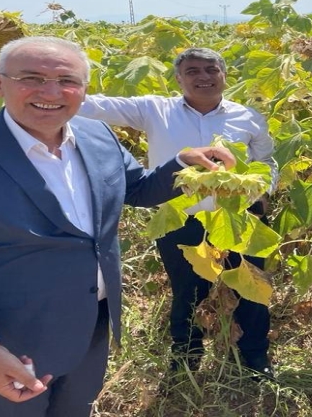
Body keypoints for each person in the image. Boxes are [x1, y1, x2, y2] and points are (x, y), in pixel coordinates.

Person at [0, 36, 235, 417]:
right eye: (31, 78)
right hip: (2, 343)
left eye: (67, 80)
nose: (50, 92)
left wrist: (182, 163)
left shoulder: (97, 136)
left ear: (83, 89)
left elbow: (135, 188)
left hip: (88, 329)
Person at [79, 47, 277, 378]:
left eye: (211, 70)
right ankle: (186, 355)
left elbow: (267, 161)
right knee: (187, 290)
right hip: (180, 219)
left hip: (239, 216)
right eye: (193, 71)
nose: (203, 77)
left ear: (223, 74)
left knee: (250, 288)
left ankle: (255, 355)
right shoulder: (154, 109)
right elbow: (93, 106)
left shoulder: (248, 117)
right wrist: (33, 84)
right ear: (179, 78)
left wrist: (260, 187)